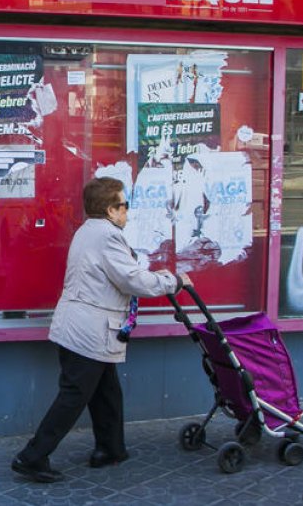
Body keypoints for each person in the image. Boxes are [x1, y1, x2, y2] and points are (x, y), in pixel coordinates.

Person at [12, 176, 191, 483]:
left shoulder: (89, 231)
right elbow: (133, 280)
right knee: (74, 396)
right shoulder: (108, 236)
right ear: (111, 210)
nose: (127, 212)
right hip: (89, 331)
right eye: (124, 205)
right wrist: (174, 281)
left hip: (84, 327)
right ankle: (32, 457)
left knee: (106, 392)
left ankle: (110, 449)